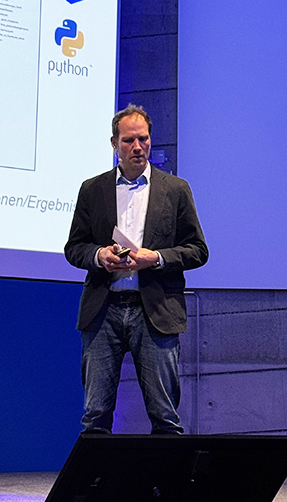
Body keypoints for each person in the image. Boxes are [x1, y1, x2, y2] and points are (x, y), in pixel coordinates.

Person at [64, 104, 208, 434]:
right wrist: (100, 255)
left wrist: (154, 258)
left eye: (143, 139)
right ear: (114, 144)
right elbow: (75, 248)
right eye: (129, 140)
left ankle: (165, 472)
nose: (138, 147)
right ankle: (98, 471)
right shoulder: (93, 189)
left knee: (165, 417)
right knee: (95, 417)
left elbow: (198, 251)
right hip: (103, 311)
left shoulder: (176, 190)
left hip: (155, 311)